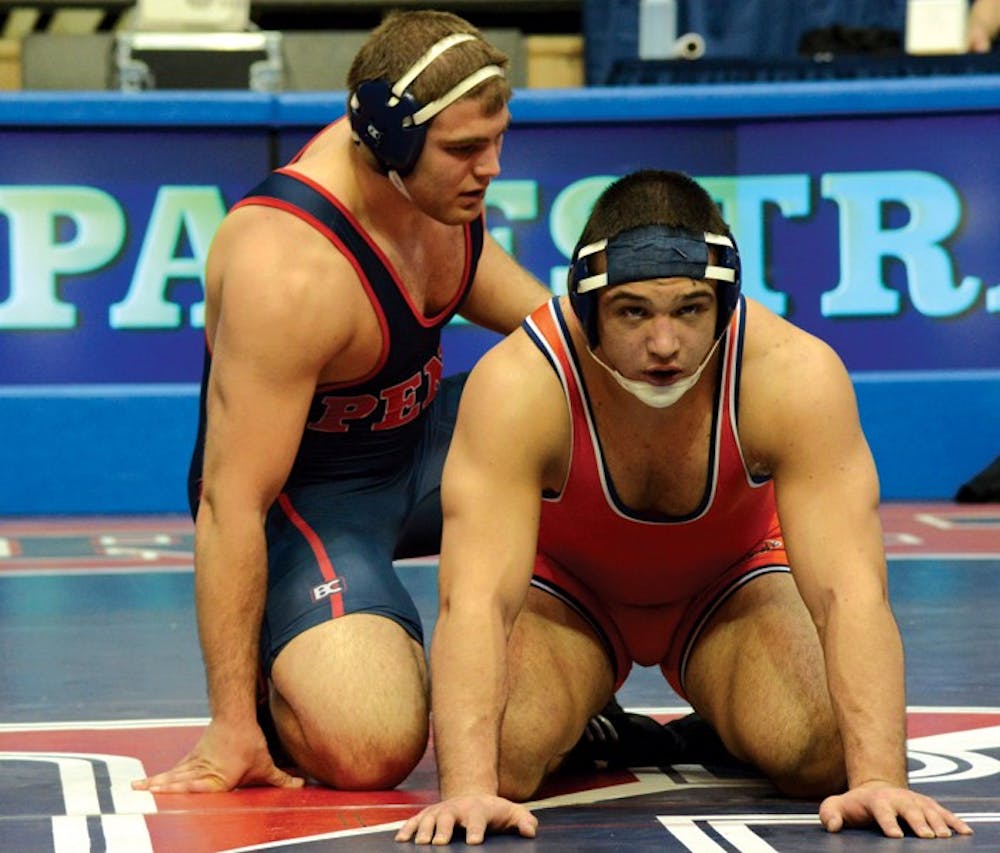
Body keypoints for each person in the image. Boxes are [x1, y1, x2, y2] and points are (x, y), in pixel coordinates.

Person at [395, 170, 975, 843]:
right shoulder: (521, 382)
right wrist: (466, 788)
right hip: (570, 593)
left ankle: (728, 719)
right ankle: (597, 717)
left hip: (727, 587)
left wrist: (879, 775)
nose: (664, 344)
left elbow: (851, 592)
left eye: (690, 309)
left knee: (824, 751)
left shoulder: (792, 374)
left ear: (725, 304)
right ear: (588, 310)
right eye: (633, 311)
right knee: (502, 762)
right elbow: (476, 601)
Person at [131, 10, 549, 794]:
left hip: (422, 445)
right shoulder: (287, 269)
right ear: (389, 145)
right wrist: (231, 726)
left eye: (498, 140)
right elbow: (231, 502)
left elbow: (553, 333)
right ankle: (289, 670)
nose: (491, 168)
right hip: (312, 503)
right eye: (466, 150)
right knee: (372, 745)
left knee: (592, 393)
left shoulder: (439, 184)